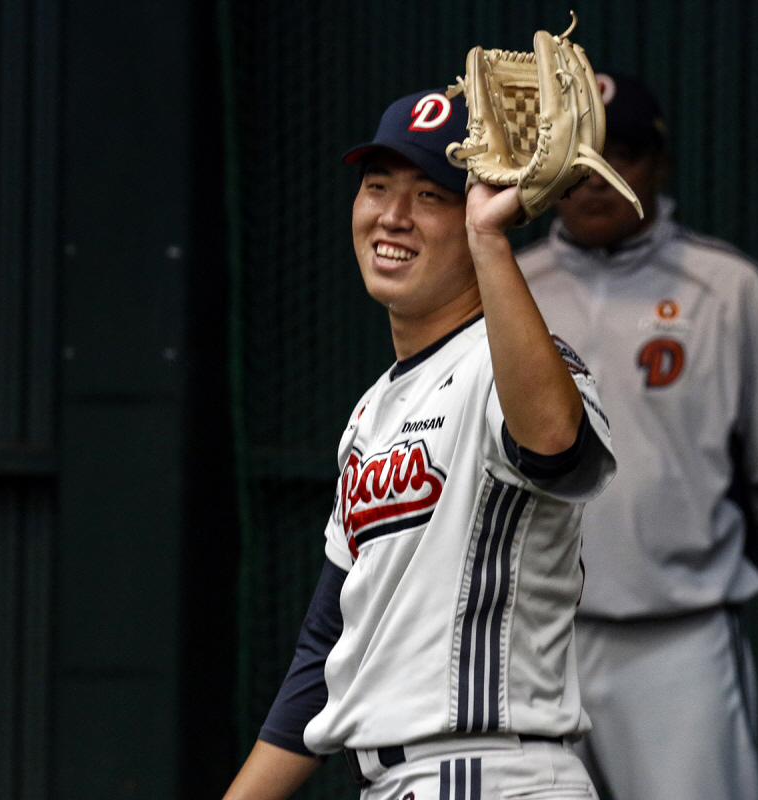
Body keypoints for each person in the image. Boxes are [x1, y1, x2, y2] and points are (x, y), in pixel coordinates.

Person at [222, 89, 616, 800]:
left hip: (488, 770)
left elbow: (558, 446)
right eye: (377, 187)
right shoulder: (372, 412)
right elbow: (326, 649)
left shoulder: (516, 365)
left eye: (432, 194)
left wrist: (490, 240)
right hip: (403, 780)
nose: (392, 216)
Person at [516, 74, 758, 800]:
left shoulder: (730, 285)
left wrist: (675, 536)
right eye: (579, 158)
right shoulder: (507, 287)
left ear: (660, 165)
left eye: (625, 154)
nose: (597, 179)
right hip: (530, 642)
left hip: (679, 640)